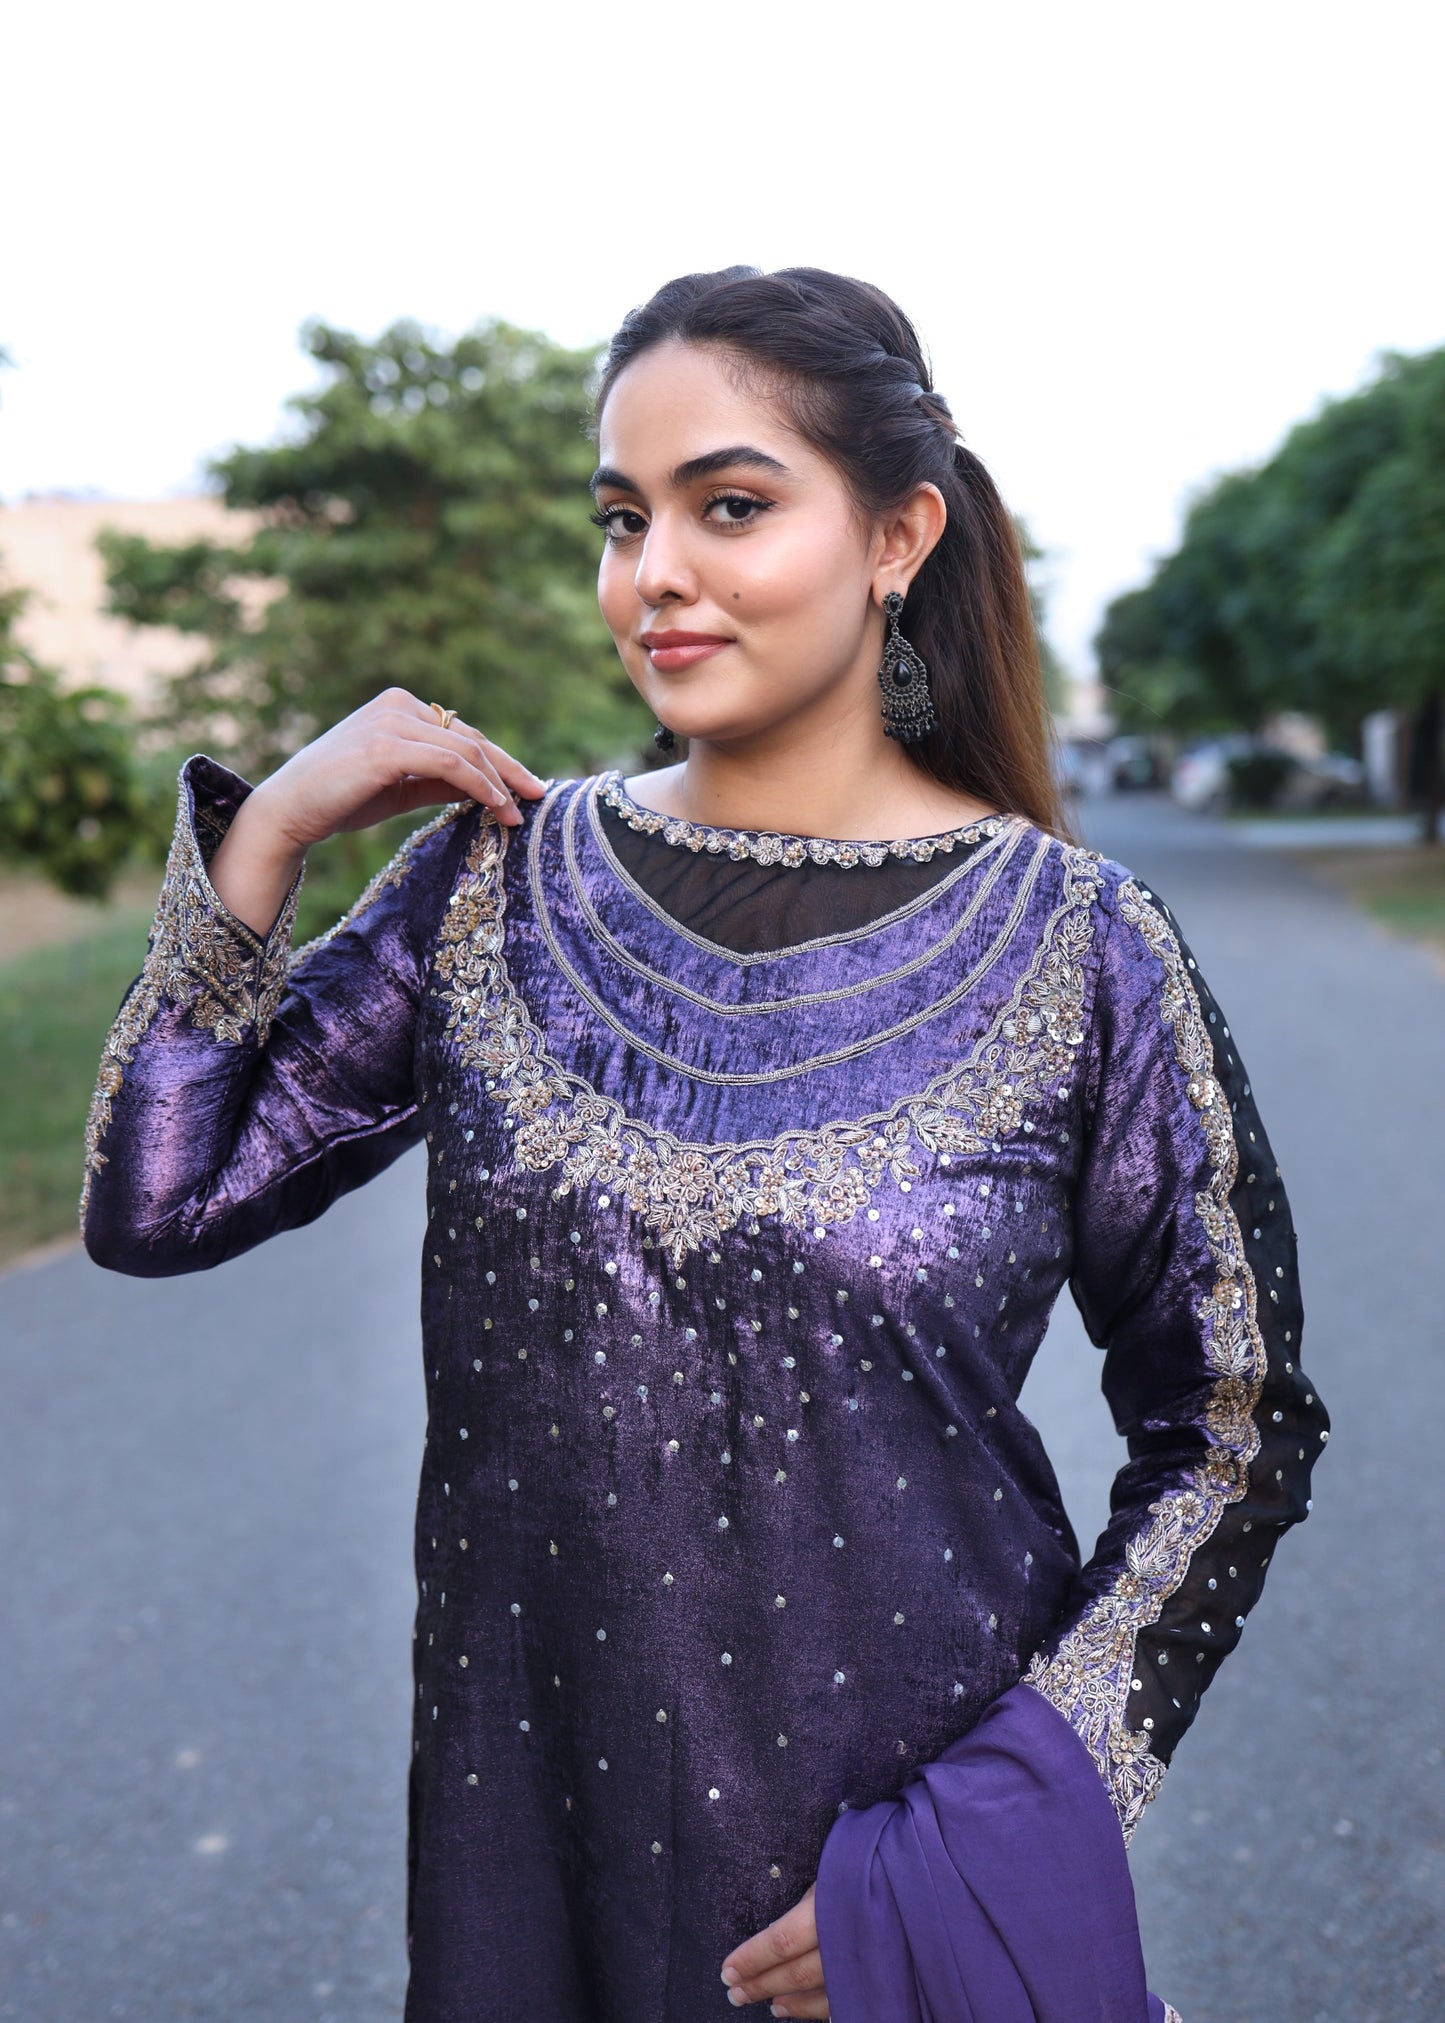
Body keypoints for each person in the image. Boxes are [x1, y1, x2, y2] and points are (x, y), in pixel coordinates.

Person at [80, 266, 1329, 2023]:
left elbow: (1233, 1423)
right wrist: (267, 833)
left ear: (896, 536)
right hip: (535, 1863)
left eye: (727, 507)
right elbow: (159, 1198)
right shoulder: (490, 885)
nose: (651, 574)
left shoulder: (1083, 948)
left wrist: (995, 1827)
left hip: (895, 1884)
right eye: (621, 518)